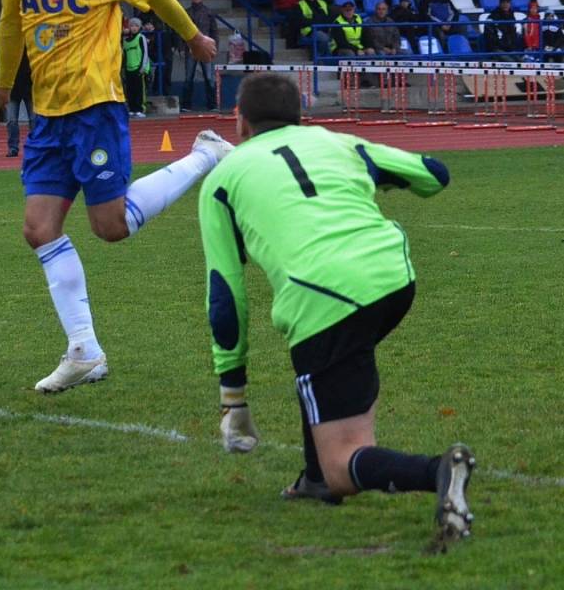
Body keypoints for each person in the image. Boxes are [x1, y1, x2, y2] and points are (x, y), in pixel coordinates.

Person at [0, 0, 229, 393]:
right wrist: (3, 89)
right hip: (47, 113)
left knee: (109, 227)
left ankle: (205, 156)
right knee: (38, 229)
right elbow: (10, 23)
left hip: (96, 106)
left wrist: (191, 37)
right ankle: (84, 350)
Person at [197, 71, 475, 543]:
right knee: (319, 374)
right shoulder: (339, 143)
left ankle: (436, 473)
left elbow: (225, 295)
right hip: (393, 276)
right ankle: (314, 481)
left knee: (346, 458)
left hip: (325, 296)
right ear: (300, 115)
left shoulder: (221, 181)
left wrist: (233, 395)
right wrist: (371, 178)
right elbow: (434, 174)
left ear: (239, 122)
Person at [181, 0, 218, 112]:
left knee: (209, 77)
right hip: (190, 47)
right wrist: (181, 46)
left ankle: (212, 104)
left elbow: (214, 31)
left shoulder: (209, 12)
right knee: (188, 77)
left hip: (206, 47)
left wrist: (214, 47)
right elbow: (181, 30)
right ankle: (186, 105)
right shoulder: (186, 12)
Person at [6, 50, 33, 158]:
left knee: (34, 119)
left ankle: (35, 145)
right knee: (11, 121)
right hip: (13, 90)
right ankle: (13, 147)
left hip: (29, 89)